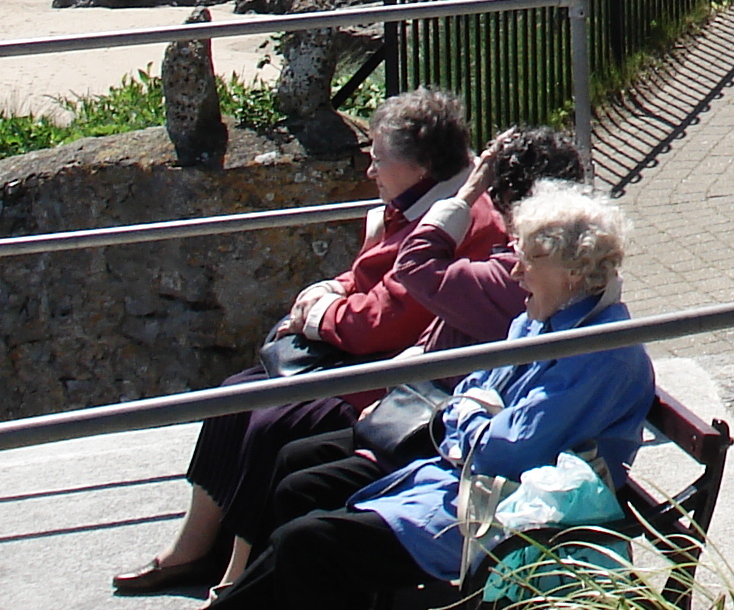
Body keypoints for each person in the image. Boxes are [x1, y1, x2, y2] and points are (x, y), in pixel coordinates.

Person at [210, 185, 652, 610]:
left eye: (530, 259)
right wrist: (470, 422)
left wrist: (465, 425)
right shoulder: (537, 322)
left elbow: (504, 450)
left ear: (574, 272)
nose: (515, 272)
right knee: (301, 503)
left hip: (504, 516)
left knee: (308, 543)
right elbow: (466, 397)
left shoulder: (598, 353)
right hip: (462, 486)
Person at [112, 91, 482, 597]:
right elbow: (368, 279)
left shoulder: (457, 220)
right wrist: (332, 291)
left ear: (419, 167)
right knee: (232, 397)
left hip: (383, 370)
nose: (370, 172)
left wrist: (318, 315)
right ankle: (194, 549)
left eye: (379, 160)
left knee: (270, 423)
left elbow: (385, 321)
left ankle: (239, 575)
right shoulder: (415, 203)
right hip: (356, 353)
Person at [241, 127, 589, 551]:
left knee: (289, 469)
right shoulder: (521, 271)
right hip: (426, 411)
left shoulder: (510, 278)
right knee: (281, 450)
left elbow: (415, 266)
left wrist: (468, 190)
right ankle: (236, 572)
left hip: (433, 433)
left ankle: (240, 575)